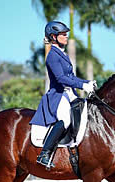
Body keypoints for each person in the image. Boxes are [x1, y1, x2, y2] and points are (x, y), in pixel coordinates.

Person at [30, 21, 96, 169]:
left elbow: (71, 77)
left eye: (66, 34)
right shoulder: (52, 55)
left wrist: (87, 82)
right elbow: (60, 78)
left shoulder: (62, 54)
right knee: (65, 119)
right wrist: (82, 85)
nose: (66, 36)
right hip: (58, 95)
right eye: (63, 34)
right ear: (54, 36)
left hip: (69, 94)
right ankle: (44, 154)